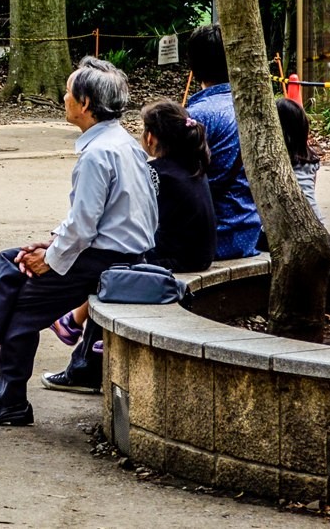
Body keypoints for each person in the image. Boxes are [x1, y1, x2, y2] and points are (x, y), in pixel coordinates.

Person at [0, 56, 156, 425]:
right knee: (10, 260)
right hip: (120, 253)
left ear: (84, 104)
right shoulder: (124, 144)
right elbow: (98, 220)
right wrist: (50, 245)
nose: (63, 98)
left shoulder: (97, 155)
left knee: (19, 308)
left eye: (68, 93)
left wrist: (50, 257)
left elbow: (84, 227)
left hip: (106, 261)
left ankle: (4, 389)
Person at [42, 99, 216, 392]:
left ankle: (82, 360)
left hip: (178, 257)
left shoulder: (156, 172)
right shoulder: (191, 164)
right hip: (199, 252)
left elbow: (132, 220)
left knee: (112, 271)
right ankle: (75, 329)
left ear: (151, 138)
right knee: (115, 264)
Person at [187, 24, 262, 258]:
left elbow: (179, 180)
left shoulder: (198, 115)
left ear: (193, 65)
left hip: (210, 236)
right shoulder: (255, 107)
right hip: (250, 230)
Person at [278, 97, 324, 222]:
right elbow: (310, 189)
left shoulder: (275, 160)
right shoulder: (311, 157)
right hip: (315, 219)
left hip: (290, 221)